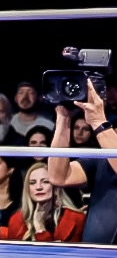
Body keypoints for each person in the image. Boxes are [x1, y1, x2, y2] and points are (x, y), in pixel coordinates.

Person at [48, 80, 116, 243]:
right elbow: (59, 177)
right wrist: (64, 120)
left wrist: (98, 122)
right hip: (97, 253)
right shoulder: (102, 158)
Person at [1, 163, 86, 242]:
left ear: (56, 187)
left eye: (45, 182)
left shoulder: (76, 218)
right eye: (32, 183)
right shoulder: (16, 220)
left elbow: (52, 252)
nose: (38, 187)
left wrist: (39, 225)